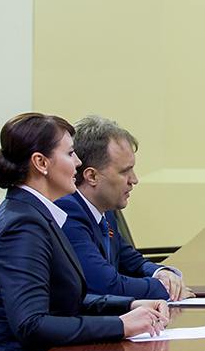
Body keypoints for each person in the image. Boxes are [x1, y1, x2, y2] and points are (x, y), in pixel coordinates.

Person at [0, 113, 169, 351]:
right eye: (70, 154)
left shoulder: (38, 214)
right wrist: (120, 325)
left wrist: (129, 305)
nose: (78, 162)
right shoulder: (22, 226)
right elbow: (32, 324)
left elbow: (65, 303)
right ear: (41, 163)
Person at [54, 115, 191, 301]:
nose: (134, 180)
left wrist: (160, 272)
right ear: (92, 176)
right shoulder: (68, 212)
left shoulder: (105, 208)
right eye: (125, 171)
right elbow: (105, 285)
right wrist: (163, 288)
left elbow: (130, 260)